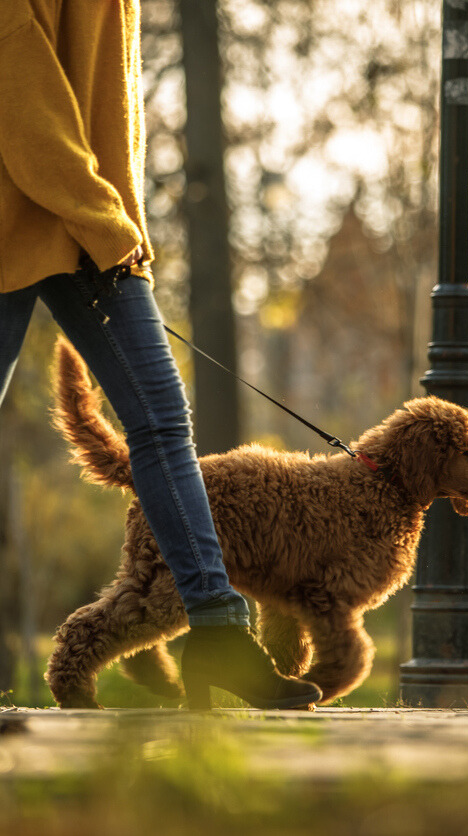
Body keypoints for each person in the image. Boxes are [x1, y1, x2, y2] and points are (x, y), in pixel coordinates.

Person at [0, 2, 320, 709]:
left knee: (161, 422)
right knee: (161, 423)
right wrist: (104, 215)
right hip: (32, 209)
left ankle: (216, 635)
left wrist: (109, 215)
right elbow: (18, 85)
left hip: (87, 219)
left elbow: (103, 101)